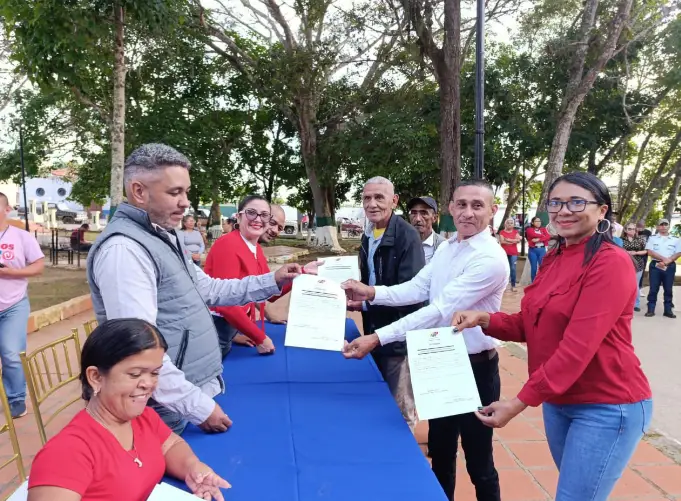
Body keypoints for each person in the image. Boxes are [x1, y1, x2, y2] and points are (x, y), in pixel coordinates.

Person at [452, 172, 652, 501]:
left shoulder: (611, 263)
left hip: (606, 404)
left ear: (602, 211)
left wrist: (517, 403)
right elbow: (532, 323)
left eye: (577, 202)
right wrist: (485, 319)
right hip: (559, 402)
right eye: (555, 203)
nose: (564, 211)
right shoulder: (555, 256)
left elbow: (576, 349)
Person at [86, 143, 304, 435]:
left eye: (186, 192)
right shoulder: (125, 250)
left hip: (185, 396)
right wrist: (197, 407)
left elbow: (208, 289)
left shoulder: (161, 235)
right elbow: (139, 350)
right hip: (165, 413)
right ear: (139, 191)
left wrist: (272, 280)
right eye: (174, 192)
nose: (185, 202)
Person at [343, 180, 508, 501]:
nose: (468, 213)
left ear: (492, 211)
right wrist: (371, 294)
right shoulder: (447, 248)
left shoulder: (490, 258)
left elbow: (440, 311)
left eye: (478, 205)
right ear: (450, 208)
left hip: (476, 371)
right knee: (441, 452)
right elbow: (416, 289)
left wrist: (377, 338)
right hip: (443, 361)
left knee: (479, 461)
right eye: (461, 204)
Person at [27, 318, 230, 501]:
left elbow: (170, 444)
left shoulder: (143, 418)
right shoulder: (67, 453)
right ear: (96, 377)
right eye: (135, 374)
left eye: (155, 373)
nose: (148, 384)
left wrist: (192, 468)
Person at [349, 176, 425, 432]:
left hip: (397, 336)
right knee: (381, 397)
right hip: (374, 329)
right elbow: (370, 280)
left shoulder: (407, 236)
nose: (372, 204)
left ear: (394, 200)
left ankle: (406, 461)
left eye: (379, 197)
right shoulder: (368, 234)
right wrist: (361, 304)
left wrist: (368, 300)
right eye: (367, 198)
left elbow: (411, 293)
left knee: (400, 405)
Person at [205, 197, 320, 357]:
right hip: (215, 327)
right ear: (239, 216)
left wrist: (302, 273)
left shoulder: (255, 248)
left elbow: (269, 292)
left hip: (232, 325)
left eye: (264, 216)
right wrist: (260, 338)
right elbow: (226, 304)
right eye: (252, 213)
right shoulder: (228, 245)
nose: (259, 220)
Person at [0, 192, 45, 419]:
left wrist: (12, 273)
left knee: (10, 352)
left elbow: (38, 266)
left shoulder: (21, 237)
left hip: (13, 305)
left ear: (7, 209)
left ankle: (16, 398)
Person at [645, 218, 681, 319]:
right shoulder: (652, 238)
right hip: (655, 266)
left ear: (669, 226)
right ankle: (651, 309)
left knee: (668, 289)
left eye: (666, 224)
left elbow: (678, 252)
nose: (663, 226)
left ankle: (668, 310)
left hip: (669, 266)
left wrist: (667, 261)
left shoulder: (676, 239)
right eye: (661, 224)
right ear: (657, 227)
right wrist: (664, 259)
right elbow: (650, 252)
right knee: (653, 288)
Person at [407, 196, 446, 264]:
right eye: (414, 213)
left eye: (424, 213)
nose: (417, 219)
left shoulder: (444, 246)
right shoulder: (400, 242)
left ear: (434, 218)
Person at [622, 223, 647, 312]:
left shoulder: (640, 239)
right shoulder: (621, 240)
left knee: (635, 285)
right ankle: (624, 304)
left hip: (638, 264)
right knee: (624, 285)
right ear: (625, 230)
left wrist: (635, 252)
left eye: (633, 229)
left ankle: (636, 304)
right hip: (624, 265)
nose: (632, 230)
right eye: (629, 229)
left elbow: (645, 251)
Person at [498, 218, 521, 292]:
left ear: (513, 224)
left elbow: (518, 240)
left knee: (513, 269)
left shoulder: (515, 232)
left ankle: (513, 285)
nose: (510, 224)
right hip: (504, 253)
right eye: (508, 223)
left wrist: (508, 240)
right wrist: (512, 241)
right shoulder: (502, 232)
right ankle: (502, 286)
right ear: (505, 224)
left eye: (511, 223)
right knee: (503, 269)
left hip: (513, 253)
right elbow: (502, 241)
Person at [525, 216, 551, 282]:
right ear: (533, 222)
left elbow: (548, 237)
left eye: (539, 221)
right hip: (533, 250)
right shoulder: (529, 229)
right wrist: (543, 236)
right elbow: (533, 234)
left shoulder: (543, 229)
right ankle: (533, 283)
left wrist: (538, 239)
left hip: (542, 250)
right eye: (536, 221)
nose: (538, 222)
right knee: (534, 268)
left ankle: (541, 282)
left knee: (542, 267)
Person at [636, 221, 652, 289]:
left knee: (641, 271)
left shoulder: (648, 232)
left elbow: (648, 243)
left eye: (642, 226)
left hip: (644, 254)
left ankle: (639, 287)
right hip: (634, 253)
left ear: (644, 226)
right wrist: (636, 232)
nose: (640, 228)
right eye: (639, 226)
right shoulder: (634, 231)